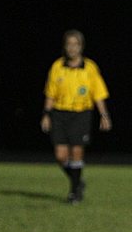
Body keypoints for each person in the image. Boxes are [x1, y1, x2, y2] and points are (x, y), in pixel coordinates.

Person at [41, 29, 112, 203]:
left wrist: (104, 115)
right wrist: (46, 115)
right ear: (65, 47)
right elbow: (50, 94)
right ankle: (77, 181)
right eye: (69, 44)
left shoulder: (90, 68)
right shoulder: (57, 66)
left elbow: (98, 94)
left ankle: (74, 193)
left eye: (76, 44)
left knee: (77, 152)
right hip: (59, 113)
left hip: (81, 114)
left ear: (81, 47)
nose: (72, 48)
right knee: (61, 155)